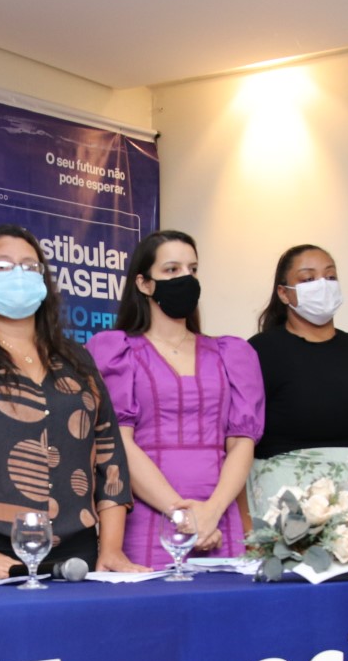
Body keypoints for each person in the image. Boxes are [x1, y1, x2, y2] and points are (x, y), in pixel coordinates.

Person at [0, 224, 146, 578]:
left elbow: (110, 456)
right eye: (2, 266)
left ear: (44, 281)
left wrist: (110, 549)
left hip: (75, 556)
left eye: (30, 266)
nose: (18, 275)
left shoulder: (77, 360)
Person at [89, 230, 264, 567]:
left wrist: (210, 513)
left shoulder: (232, 353)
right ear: (144, 284)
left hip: (219, 520)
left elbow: (242, 442)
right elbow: (119, 444)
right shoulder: (117, 351)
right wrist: (184, 516)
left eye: (192, 269)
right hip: (148, 520)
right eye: (172, 270)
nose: (186, 277)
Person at [245, 245, 348, 526]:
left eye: (330, 277)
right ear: (284, 293)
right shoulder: (261, 352)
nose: (322, 286)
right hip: (290, 518)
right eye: (308, 279)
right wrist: (247, 527)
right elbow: (238, 444)